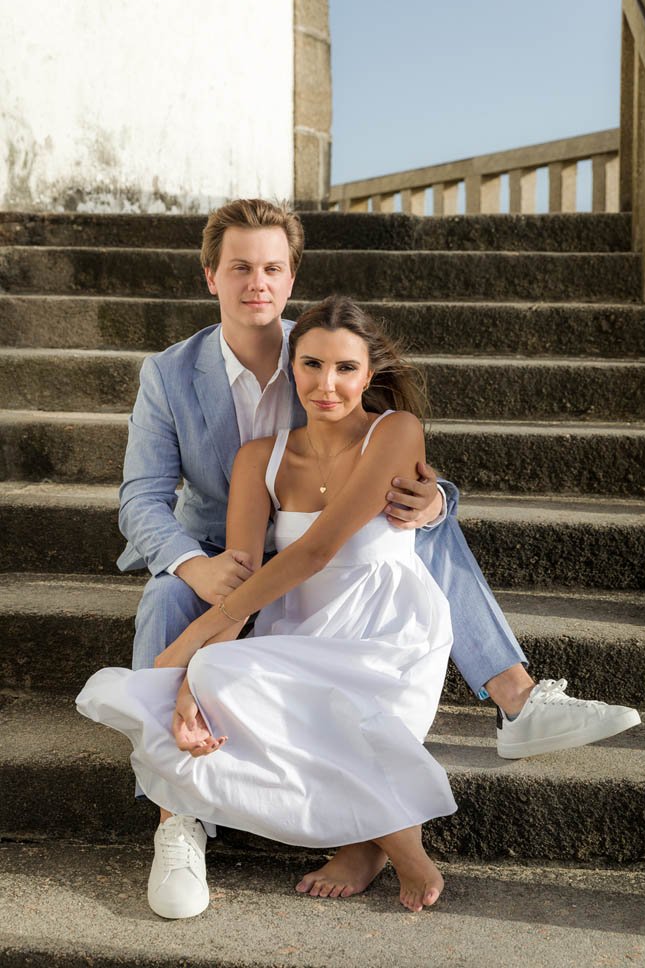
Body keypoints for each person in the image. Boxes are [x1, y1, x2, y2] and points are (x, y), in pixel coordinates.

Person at [96, 198, 639, 918]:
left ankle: (514, 698)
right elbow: (140, 499)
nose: (256, 282)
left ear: (291, 278)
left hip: (331, 559)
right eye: (239, 268)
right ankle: (178, 818)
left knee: (417, 522)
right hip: (224, 555)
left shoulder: (321, 347)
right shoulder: (169, 374)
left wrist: (435, 498)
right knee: (167, 599)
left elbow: (384, 450)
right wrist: (189, 565)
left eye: (271, 268)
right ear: (210, 277)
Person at [78, 296, 458, 916]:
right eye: (311, 365)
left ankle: (399, 846)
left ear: (369, 375)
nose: (326, 385)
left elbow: (316, 551)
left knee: (276, 689)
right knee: (213, 677)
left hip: (389, 629)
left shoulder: (395, 431)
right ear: (291, 366)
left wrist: (181, 649)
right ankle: (366, 841)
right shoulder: (262, 456)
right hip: (303, 624)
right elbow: (242, 575)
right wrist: (191, 672)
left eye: (345, 369)